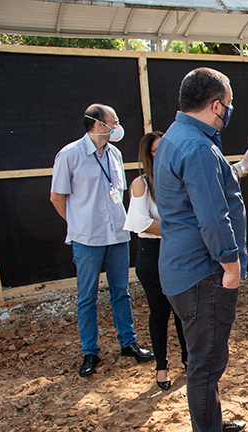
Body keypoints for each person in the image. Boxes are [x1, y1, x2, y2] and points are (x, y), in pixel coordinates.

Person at [155, 67, 248, 432]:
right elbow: (211, 215)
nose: (231, 110)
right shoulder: (198, 147)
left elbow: (204, 188)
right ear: (216, 104)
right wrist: (232, 263)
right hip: (203, 273)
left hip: (181, 268)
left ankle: (211, 423)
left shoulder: (179, 138)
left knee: (205, 354)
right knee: (206, 359)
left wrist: (242, 167)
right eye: (230, 102)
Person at [50, 104, 154, 378]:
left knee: (121, 291)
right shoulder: (70, 155)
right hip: (87, 239)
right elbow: (57, 196)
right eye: (114, 121)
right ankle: (90, 351)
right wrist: (77, 225)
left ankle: (128, 342)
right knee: (87, 297)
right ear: (98, 124)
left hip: (116, 235)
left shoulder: (115, 154)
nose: (117, 126)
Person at [123, 131, 188, 391]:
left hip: (178, 251)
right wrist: (177, 226)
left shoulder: (177, 180)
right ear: (148, 155)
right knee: (160, 311)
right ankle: (161, 366)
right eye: (155, 150)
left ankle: (188, 359)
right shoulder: (141, 183)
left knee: (183, 310)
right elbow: (139, 223)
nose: (162, 154)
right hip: (152, 254)